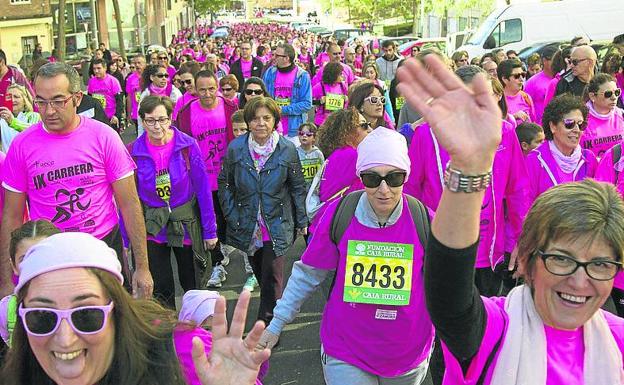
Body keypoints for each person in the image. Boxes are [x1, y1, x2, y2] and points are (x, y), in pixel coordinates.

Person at [397, 52, 624, 385]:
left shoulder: (617, 341)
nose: (579, 280)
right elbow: (451, 302)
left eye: (600, 264)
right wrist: (469, 168)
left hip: (492, 249)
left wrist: (513, 238)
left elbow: (516, 190)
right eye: (561, 259)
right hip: (448, 245)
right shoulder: (497, 330)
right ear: (536, 258)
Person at [259, 128, 434, 385]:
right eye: (372, 179)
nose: (384, 189)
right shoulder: (339, 214)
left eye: (394, 178)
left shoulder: (424, 220)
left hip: (407, 352)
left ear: (406, 176)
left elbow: (447, 286)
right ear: (361, 178)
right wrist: (276, 324)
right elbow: (308, 273)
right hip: (346, 348)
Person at [0, 232, 272, 385]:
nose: (64, 338)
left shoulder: (182, 355)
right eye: (41, 318)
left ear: (117, 310)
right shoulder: (21, 374)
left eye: (86, 315)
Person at [0, 62, 153, 299]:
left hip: (102, 248)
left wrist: (142, 268)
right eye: (41, 101)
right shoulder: (22, 146)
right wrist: (6, 280)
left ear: (77, 98)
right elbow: (11, 216)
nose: (49, 111)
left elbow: (130, 204)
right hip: (49, 255)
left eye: (58, 101)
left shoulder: (104, 137)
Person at [404, 64, 529, 298]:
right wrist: (416, 244)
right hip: (441, 250)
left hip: (490, 253)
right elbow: (411, 193)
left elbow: (518, 190)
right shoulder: (427, 134)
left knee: (485, 324)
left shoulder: (506, 132)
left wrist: (520, 240)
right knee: (445, 323)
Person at [218, 97, 307, 324]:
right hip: (247, 222)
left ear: (275, 121)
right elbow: (225, 183)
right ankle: (273, 313)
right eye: (255, 118)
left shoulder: (287, 149)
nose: (261, 123)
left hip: (277, 222)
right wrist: (231, 214)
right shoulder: (236, 148)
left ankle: (268, 323)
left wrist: (302, 220)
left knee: (272, 277)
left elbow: (297, 187)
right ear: (248, 122)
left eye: (266, 118)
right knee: (260, 272)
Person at [127, 95, 218, 308]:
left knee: (193, 284)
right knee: (160, 289)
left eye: (162, 120)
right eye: (150, 120)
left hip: (185, 223)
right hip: (152, 226)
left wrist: (210, 231)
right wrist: (126, 239)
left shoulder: (187, 146)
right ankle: (167, 336)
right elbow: (129, 200)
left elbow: (203, 190)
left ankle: (195, 331)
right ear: (142, 120)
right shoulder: (133, 152)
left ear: (170, 119)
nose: (156, 126)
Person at [176, 70, 237, 288]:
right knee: (209, 222)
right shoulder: (185, 113)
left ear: (217, 87)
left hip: (228, 175)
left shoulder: (230, 108)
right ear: (194, 90)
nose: (207, 94)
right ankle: (217, 263)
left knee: (229, 218)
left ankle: (238, 254)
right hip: (201, 178)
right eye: (202, 89)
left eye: (212, 88)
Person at [525, 94, 597, 203]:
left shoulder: (589, 158)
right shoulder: (533, 160)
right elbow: (524, 206)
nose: (577, 130)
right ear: (553, 126)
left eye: (581, 125)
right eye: (569, 124)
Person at [309, 108, 371, 233]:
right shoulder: (352, 156)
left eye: (369, 125)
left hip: (327, 224)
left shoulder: (340, 154)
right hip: (335, 229)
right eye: (364, 125)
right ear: (347, 131)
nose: (370, 129)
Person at [0, 220, 60, 348]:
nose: (35, 266)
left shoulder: (76, 304)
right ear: (14, 267)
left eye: (44, 256)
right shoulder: (5, 310)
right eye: (25, 259)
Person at [262, 43, 312, 144]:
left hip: (294, 130)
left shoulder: (302, 76)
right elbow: (263, 97)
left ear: (286, 58)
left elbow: (307, 104)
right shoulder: (270, 73)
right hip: (272, 127)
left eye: (276, 55)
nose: (273, 57)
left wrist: (282, 110)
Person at [580, 73, 624, 158]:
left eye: (617, 92)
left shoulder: (621, 115)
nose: (614, 97)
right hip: (591, 169)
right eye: (608, 94)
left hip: (616, 170)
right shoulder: (580, 118)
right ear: (592, 96)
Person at [137, 64, 182, 137]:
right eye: (160, 76)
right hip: (153, 129)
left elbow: (181, 108)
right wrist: (140, 136)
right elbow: (140, 117)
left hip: (171, 128)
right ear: (152, 77)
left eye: (166, 76)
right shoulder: (146, 93)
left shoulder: (173, 90)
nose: (164, 78)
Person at [0, 84, 40, 152]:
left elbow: (32, 131)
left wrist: (12, 122)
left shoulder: (33, 116)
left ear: (24, 101)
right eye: (9, 97)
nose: (12, 100)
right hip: (7, 161)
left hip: (27, 160)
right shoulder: (2, 119)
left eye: (16, 97)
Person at [524, 45, 558, 124]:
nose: (557, 63)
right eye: (553, 60)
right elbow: (526, 106)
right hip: (540, 128)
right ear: (544, 60)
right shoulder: (532, 82)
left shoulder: (562, 79)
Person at [88, 58, 123, 130]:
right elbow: (89, 100)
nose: (96, 71)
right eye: (94, 69)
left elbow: (119, 101)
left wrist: (117, 115)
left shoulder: (113, 81)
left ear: (105, 68)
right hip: (98, 118)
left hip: (111, 117)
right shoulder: (91, 82)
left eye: (99, 68)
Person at [498, 59, 535, 123]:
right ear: (504, 79)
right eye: (516, 76)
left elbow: (533, 123)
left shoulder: (526, 97)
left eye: (523, 75)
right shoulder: (497, 100)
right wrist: (513, 117)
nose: (521, 79)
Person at [312, 62, 348, 126]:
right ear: (333, 75)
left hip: (337, 122)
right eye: (340, 74)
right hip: (322, 122)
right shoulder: (320, 86)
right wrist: (319, 101)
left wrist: (346, 99)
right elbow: (308, 100)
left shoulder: (343, 86)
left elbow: (346, 104)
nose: (343, 76)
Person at [296, 122, 325, 194]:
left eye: (308, 134)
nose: (304, 136)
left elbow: (322, 172)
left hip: (314, 190)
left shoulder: (318, 154)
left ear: (314, 138)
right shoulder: (294, 153)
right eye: (301, 133)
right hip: (300, 190)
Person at [126, 54, 147, 128]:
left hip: (148, 111)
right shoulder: (130, 78)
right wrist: (129, 114)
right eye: (135, 63)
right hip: (136, 113)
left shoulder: (149, 76)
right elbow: (129, 97)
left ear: (145, 64)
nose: (137, 65)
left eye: (139, 63)